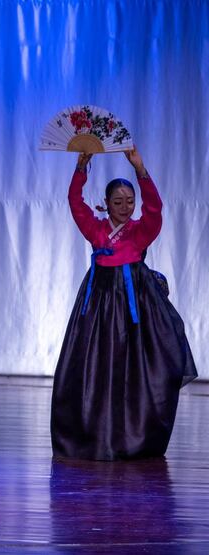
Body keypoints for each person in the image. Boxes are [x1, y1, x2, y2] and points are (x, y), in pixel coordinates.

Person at [51, 148, 197, 460]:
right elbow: (75, 203)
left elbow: (155, 210)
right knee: (97, 363)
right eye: (118, 202)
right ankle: (94, 430)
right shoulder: (97, 228)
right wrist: (81, 167)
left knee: (137, 364)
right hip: (102, 301)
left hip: (136, 299)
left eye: (130, 201)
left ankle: (135, 431)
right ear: (107, 203)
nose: (125, 207)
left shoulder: (138, 231)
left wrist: (140, 169)